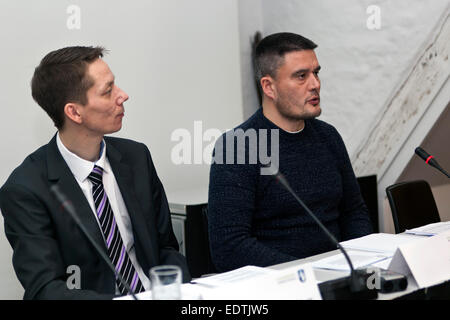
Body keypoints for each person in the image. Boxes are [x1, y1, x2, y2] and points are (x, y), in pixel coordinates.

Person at [0, 46, 190, 299]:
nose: (123, 96)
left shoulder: (136, 158)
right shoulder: (26, 189)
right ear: (74, 112)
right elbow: (45, 289)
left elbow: (165, 247)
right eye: (108, 91)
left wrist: (175, 291)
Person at [208, 32, 373, 272]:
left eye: (316, 73)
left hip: (342, 276)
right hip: (279, 284)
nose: (315, 84)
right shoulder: (237, 146)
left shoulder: (329, 136)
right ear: (269, 87)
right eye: (301, 76)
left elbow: (354, 213)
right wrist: (308, 271)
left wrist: (359, 260)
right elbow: (229, 248)